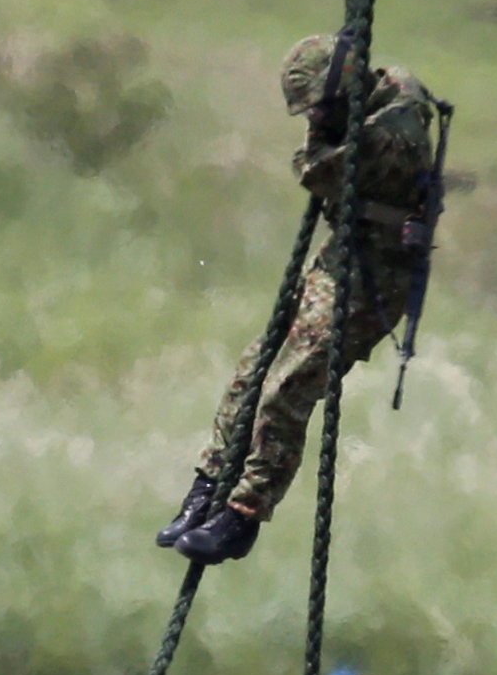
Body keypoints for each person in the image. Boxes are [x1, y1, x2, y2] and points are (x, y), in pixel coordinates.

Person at [162, 33, 448, 566]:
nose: (314, 119)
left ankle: (242, 515)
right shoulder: (384, 96)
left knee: (287, 388)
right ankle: (207, 486)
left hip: (374, 276)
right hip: (345, 254)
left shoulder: (393, 132)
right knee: (255, 367)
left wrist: (324, 128)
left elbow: (314, 171)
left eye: (320, 108)